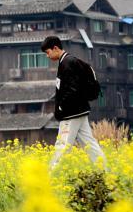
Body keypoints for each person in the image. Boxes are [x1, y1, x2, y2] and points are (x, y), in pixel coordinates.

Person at [41, 36, 106, 169]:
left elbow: (72, 90)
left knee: (62, 146)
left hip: (71, 114)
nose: (47, 56)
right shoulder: (69, 61)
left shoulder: (67, 63)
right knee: (90, 144)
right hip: (80, 111)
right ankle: (104, 171)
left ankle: (51, 178)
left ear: (55, 48)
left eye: (48, 52)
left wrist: (60, 107)